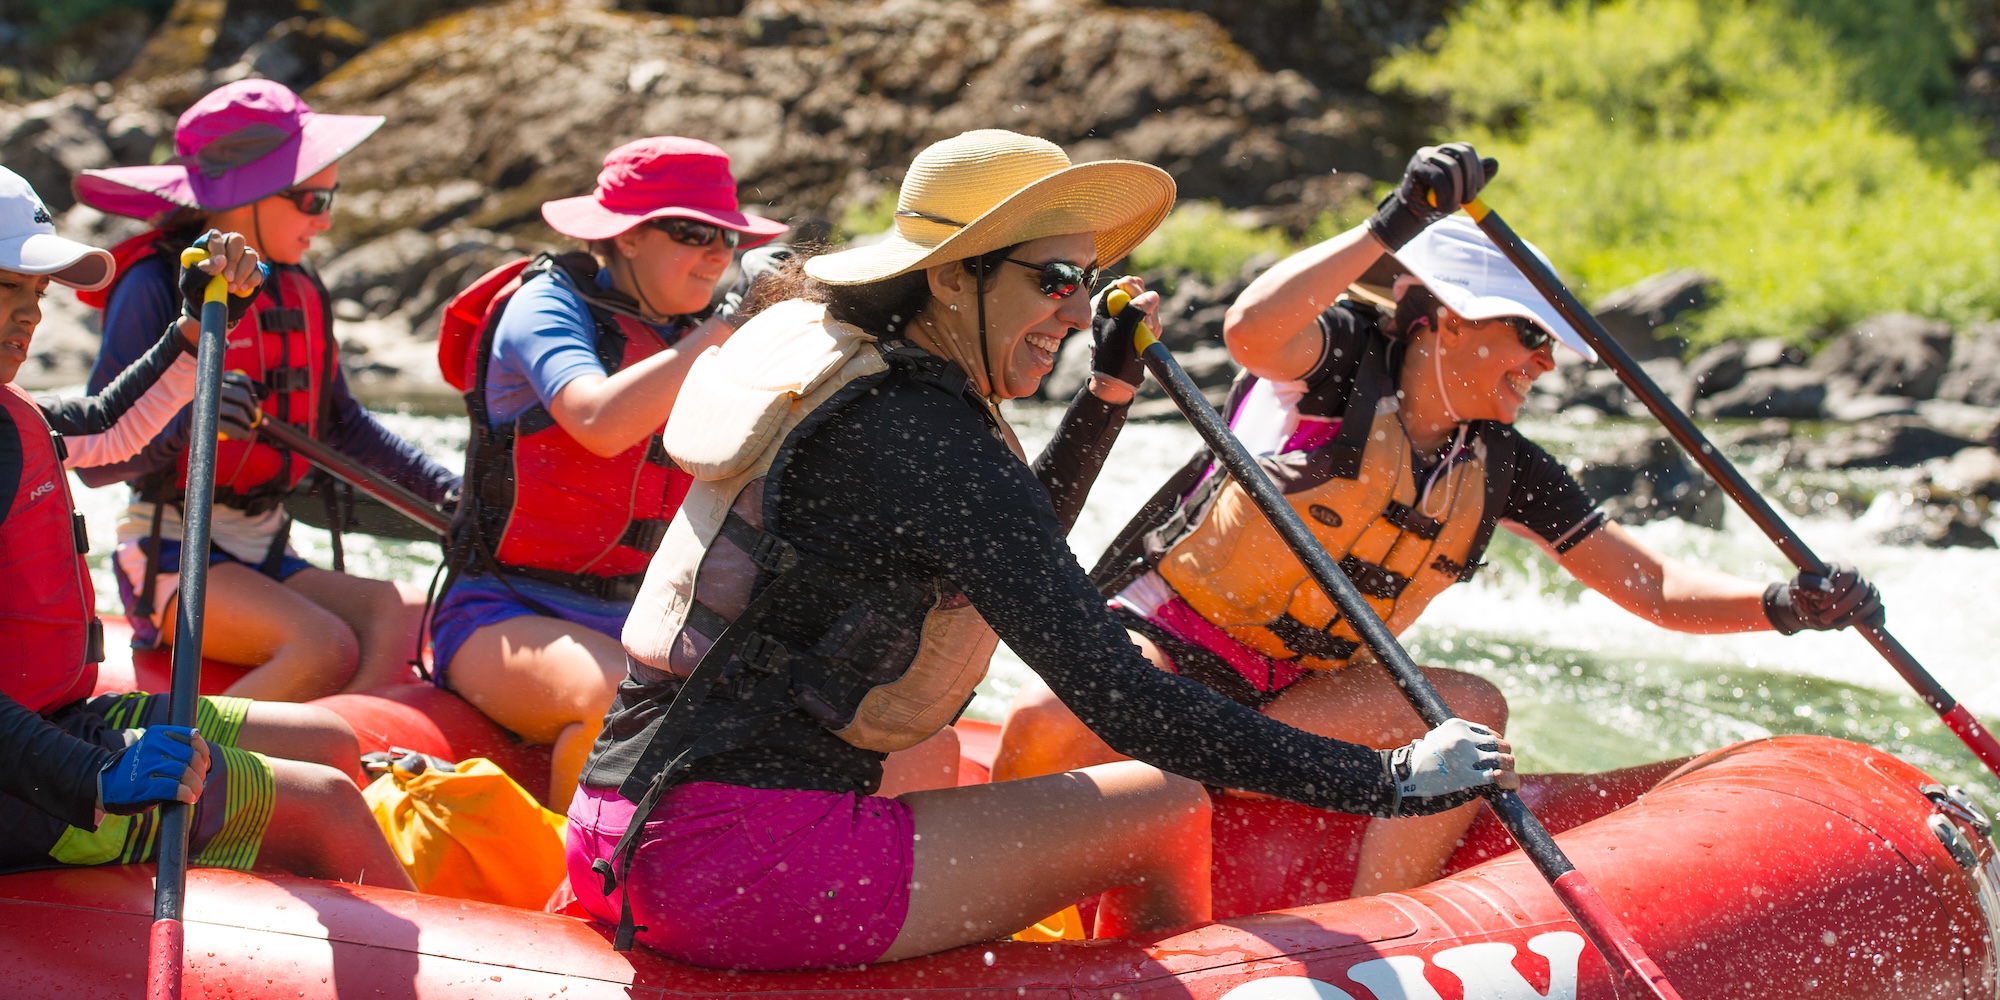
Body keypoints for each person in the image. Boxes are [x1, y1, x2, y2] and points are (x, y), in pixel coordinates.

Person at [565, 129, 1518, 971]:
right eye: (1052, 280)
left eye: (1087, 281)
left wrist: (1105, 395)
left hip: (621, 829)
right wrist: (1389, 781)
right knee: (1163, 806)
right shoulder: (928, 436)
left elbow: (997, 546)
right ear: (950, 275)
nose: (1072, 309)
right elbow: (1122, 697)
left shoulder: (861, 378)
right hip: (735, 868)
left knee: (936, 752)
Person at [993, 143, 1886, 895]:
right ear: (1451, 323)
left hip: (1300, 698)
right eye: (1529, 338)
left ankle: (1383, 922)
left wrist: (1786, 605)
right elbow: (1251, 329)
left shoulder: (1503, 464)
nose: (1544, 365)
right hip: (1169, 650)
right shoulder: (1336, 365)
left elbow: (1648, 585)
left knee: (1472, 711)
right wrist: (1394, 222)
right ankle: (1006, 884)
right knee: (1048, 713)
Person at [0, 167, 411, 889]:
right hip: (26, 780)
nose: (31, 316)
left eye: (36, 293)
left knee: (331, 743)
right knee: (330, 806)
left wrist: (193, 326)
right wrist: (95, 775)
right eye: (8, 289)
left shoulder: (13, 413)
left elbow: (108, 430)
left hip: (54, 720)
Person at [427, 137, 789, 811]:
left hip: (648, 621)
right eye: (693, 232)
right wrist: (729, 321)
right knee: (607, 699)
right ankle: (573, 896)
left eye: (729, 238)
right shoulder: (544, 307)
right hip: (502, 609)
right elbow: (598, 422)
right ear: (626, 237)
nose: (718, 254)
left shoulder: (693, 331)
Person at [69, 80, 460, 702]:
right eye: (313, 198)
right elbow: (97, 462)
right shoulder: (153, 286)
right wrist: (191, 422)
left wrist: (450, 492)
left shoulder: (302, 288)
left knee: (398, 610)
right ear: (244, 194)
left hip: (270, 544)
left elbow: (341, 426)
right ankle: (199, 770)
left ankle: (352, 770)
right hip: (172, 554)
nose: (325, 218)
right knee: (324, 646)